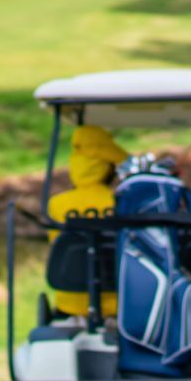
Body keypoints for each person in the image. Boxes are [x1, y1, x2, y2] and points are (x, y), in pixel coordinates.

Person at [45, 125, 128, 319]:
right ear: (109, 168)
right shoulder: (123, 201)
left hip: (70, 301)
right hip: (121, 301)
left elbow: (56, 245)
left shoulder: (57, 204)